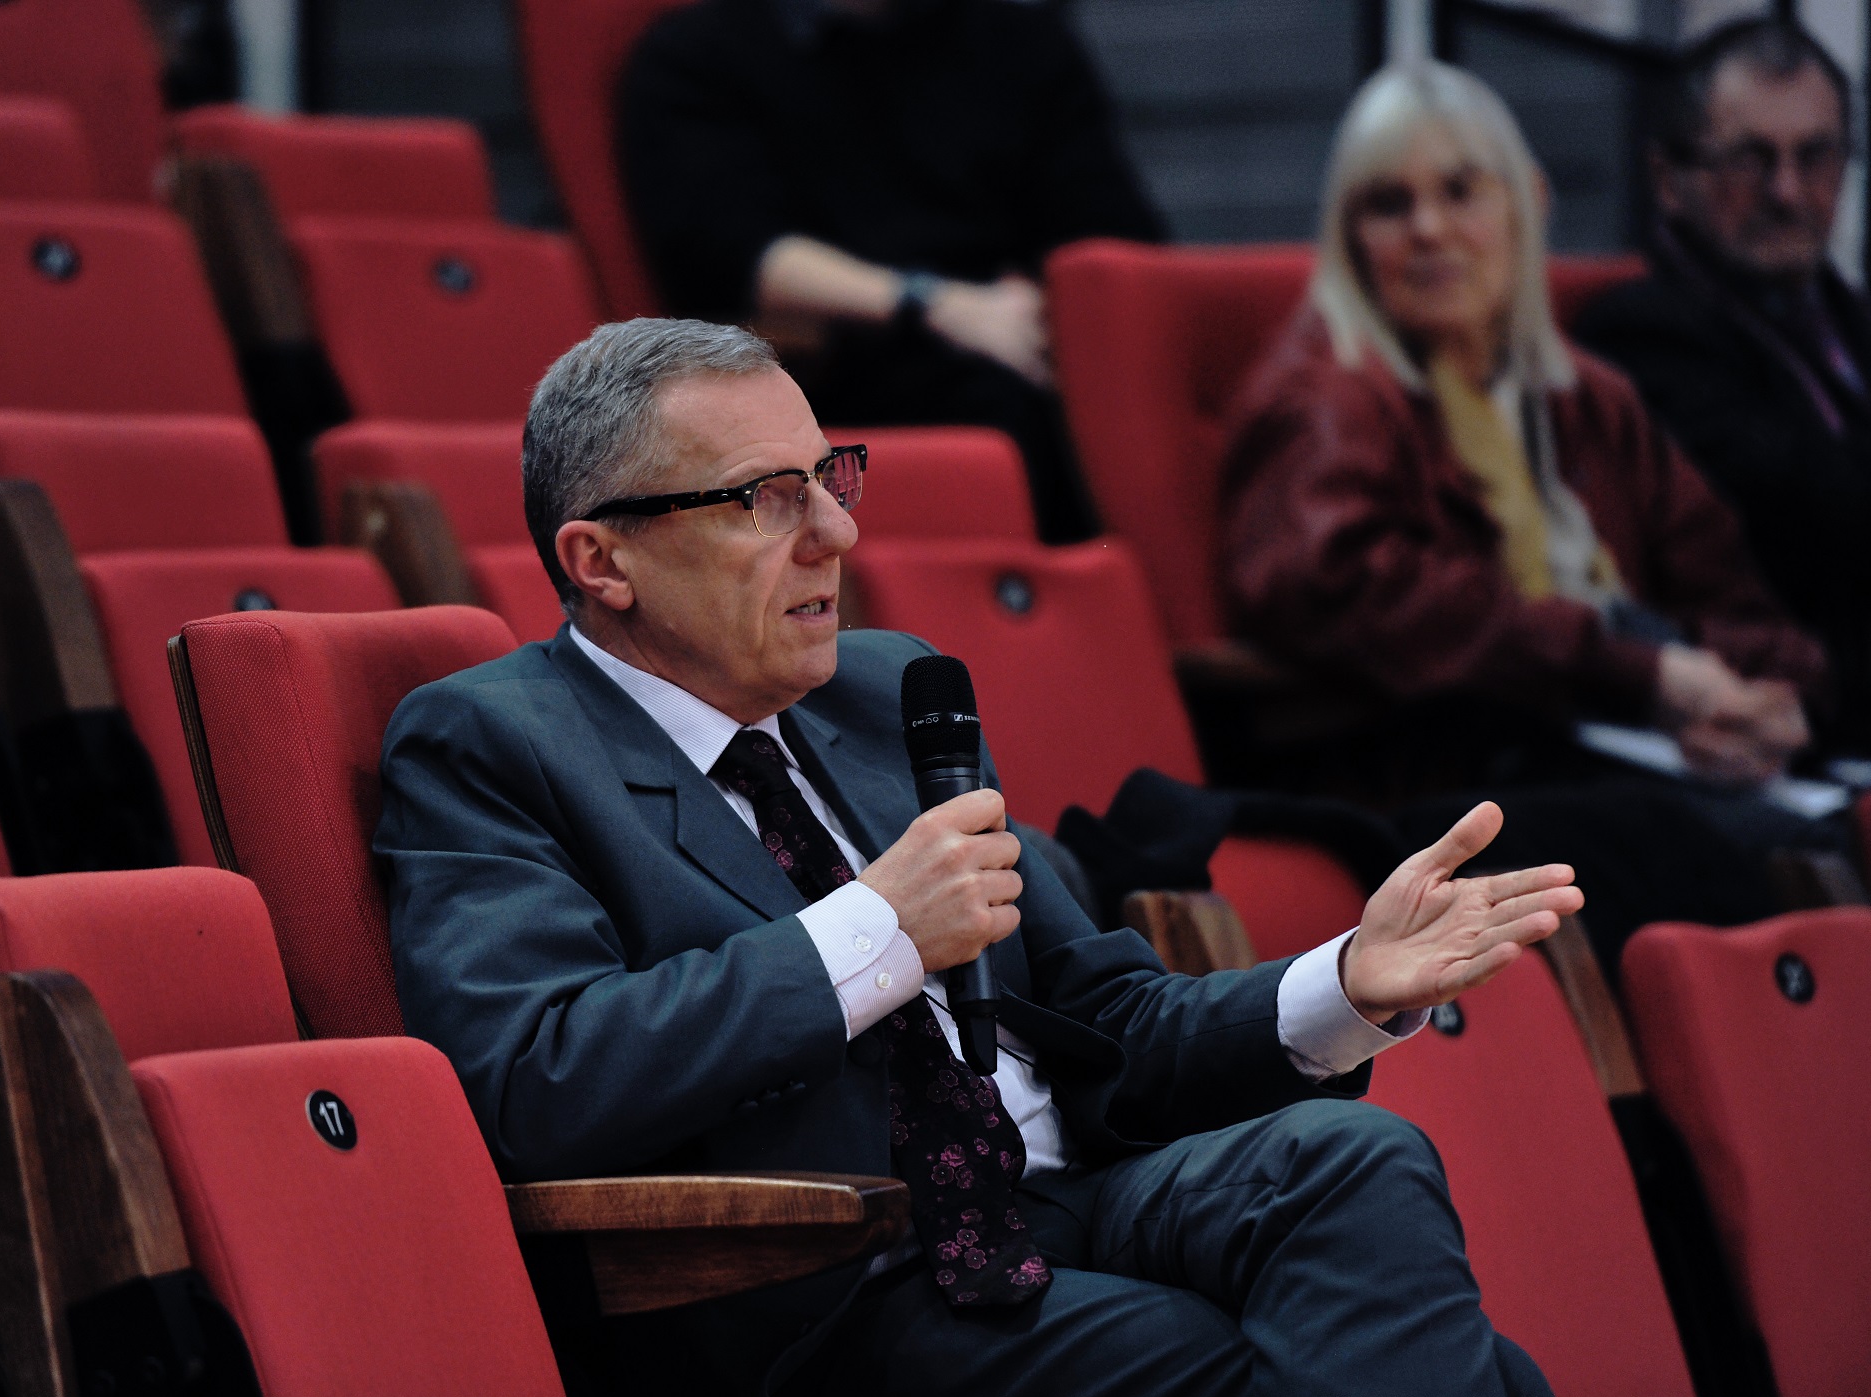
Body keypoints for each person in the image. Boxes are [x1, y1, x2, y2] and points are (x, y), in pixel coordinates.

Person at [378, 317, 1582, 1397]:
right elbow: (537, 1085)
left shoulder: (882, 689)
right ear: (602, 562)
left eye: (832, 479)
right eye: (767, 498)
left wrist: (1348, 983)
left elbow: (1106, 1019)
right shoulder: (493, 744)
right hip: (836, 1280)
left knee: (1360, 1157)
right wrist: (877, 931)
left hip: (1071, 1200)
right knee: (1470, 1386)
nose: (837, 535)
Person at [1218, 62, 1824, 800]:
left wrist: (1759, 697)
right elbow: (1347, 592)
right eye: (1389, 204)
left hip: (1627, 754)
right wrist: (1640, 674)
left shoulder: (1590, 398)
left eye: (1461, 191)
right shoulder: (1324, 393)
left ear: (1528, 202)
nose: (1429, 229)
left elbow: (1726, 592)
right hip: (1440, 780)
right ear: (1349, 239)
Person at [616, 0, 1165, 544]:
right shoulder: (698, 55)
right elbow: (736, 252)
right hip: (843, 361)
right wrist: (935, 304)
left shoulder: (1021, 39)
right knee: (1001, 412)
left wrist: (1050, 303)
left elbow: (1116, 231)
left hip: (1033, 338)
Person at [1574, 19, 1871, 754]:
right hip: (1788, 721)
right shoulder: (1640, 335)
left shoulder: (1852, 321)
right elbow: (1819, 518)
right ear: (1669, 180)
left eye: (1816, 155)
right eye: (1750, 159)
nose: (1787, 190)